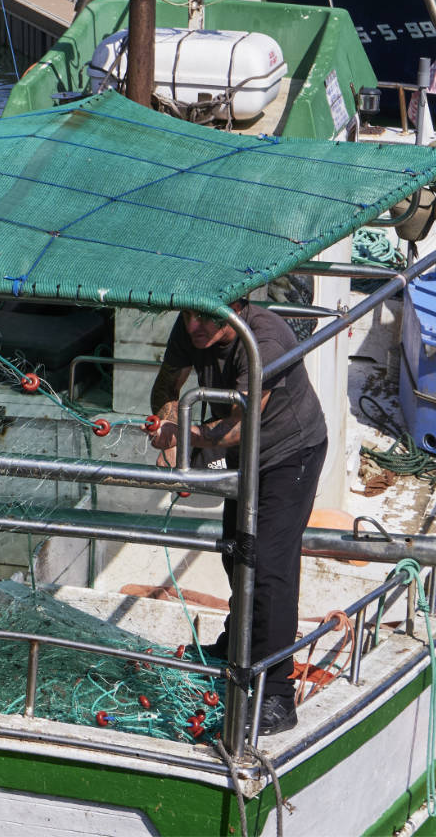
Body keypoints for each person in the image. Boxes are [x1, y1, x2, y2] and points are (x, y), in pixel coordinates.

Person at [148, 300, 329, 737]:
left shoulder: (265, 338)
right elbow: (168, 385)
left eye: (206, 317)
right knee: (236, 552)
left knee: (270, 569)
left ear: (239, 306)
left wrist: (186, 435)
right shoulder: (192, 323)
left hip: (291, 453)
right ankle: (236, 643)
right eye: (190, 315)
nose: (194, 326)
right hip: (244, 458)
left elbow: (240, 425)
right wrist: (165, 424)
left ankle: (277, 696)